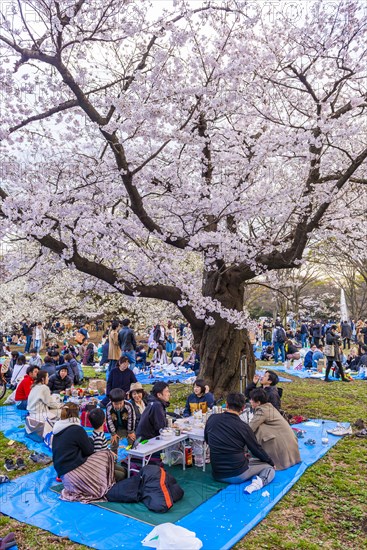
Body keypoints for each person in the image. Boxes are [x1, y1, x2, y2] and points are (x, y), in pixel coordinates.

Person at [204, 392, 275, 492]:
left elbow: (207, 440)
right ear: (243, 408)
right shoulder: (244, 427)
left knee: (249, 459)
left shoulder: (212, 418)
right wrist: (270, 462)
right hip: (237, 474)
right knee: (268, 468)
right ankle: (258, 483)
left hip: (216, 473)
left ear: (227, 404)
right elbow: (256, 449)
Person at [52, 402, 115, 503]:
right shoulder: (77, 430)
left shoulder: (57, 430)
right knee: (106, 454)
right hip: (74, 475)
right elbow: (89, 451)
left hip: (64, 477)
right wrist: (89, 440)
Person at [249, 389, 301, 470]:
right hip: (291, 447)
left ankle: (270, 459)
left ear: (258, 403)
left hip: (281, 450)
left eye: (252, 399)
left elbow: (250, 428)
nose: (250, 401)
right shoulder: (269, 407)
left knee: (258, 429)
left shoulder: (262, 410)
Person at [88, 407, 127, 481]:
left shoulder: (97, 434)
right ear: (104, 420)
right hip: (102, 467)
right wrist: (110, 457)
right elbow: (97, 456)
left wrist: (110, 452)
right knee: (122, 475)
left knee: (124, 470)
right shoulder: (98, 437)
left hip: (105, 463)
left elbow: (104, 448)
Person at [106, 388, 136, 453]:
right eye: (116, 404)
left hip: (127, 427)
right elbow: (109, 421)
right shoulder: (109, 407)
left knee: (132, 441)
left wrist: (130, 432)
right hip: (116, 428)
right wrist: (113, 433)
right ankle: (114, 459)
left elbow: (132, 418)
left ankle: (134, 456)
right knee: (114, 443)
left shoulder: (128, 406)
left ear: (124, 400)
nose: (118, 406)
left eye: (120, 403)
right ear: (111, 401)